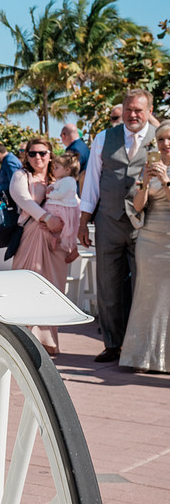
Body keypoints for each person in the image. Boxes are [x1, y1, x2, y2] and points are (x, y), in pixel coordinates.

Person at [78, 89, 159, 361]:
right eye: (128, 109)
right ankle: (113, 344)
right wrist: (83, 220)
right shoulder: (104, 137)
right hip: (109, 219)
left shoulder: (160, 139)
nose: (133, 115)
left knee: (143, 285)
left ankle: (140, 347)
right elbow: (91, 182)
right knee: (108, 283)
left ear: (149, 112)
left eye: (139, 110)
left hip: (146, 223)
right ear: (122, 110)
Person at [10, 135, 67, 354]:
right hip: (31, 236)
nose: (37, 157)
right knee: (27, 285)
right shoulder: (21, 175)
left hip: (57, 240)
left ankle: (48, 341)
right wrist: (46, 218)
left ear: (50, 154)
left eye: (42, 153)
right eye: (32, 153)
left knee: (53, 288)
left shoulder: (59, 177)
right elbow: (23, 199)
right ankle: (24, 340)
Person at [120, 122, 170, 373]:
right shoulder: (148, 168)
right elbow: (137, 206)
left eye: (169, 139)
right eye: (161, 140)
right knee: (146, 298)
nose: (165, 144)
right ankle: (141, 358)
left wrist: (166, 181)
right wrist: (146, 184)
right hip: (149, 241)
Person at [44, 153, 82, 259]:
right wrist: (51, 187)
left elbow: (60, 193)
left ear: (67, 170)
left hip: (64, 208)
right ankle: (55, 239)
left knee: (68, 230)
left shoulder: (69, 181)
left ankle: (73, 249)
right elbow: (56, 187)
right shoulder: (62, 180)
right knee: (58, 227)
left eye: (57, 168)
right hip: (60, 207)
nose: (54, 170)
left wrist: (49, 194)